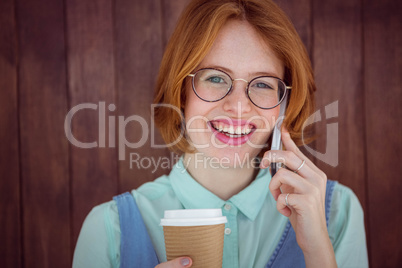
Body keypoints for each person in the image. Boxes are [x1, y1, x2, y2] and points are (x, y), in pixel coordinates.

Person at [73, 0, 368, 267]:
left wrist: (319, 254)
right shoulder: (108, 231)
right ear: (180, 92)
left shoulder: (338, 213)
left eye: (263, 84)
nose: (238, 107)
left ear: (285, 105)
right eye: (215, 77)